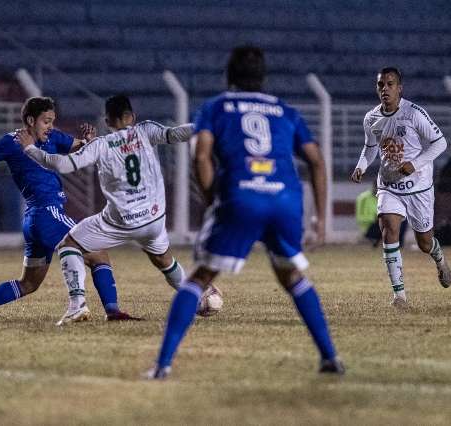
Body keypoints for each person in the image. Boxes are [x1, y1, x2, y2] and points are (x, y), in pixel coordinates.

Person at [144, 46, 343, 380]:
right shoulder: (285, 110)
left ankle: (162, 365)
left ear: (229, 77)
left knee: (200, 278)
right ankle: (329, 358)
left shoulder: (216, 107)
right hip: (284, 198)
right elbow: (317, 160)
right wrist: (320, 220)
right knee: (292, 277)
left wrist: (212, 201)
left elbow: (202, 156)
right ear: (263, 77)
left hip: (241, 193)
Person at [0, 96, 136, 324]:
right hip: (47, 213)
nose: (51, 126)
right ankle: (106, 309)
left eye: (53, 121)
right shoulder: (12, 142)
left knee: (29, 284)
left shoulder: (53, 137)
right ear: (29, 120)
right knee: (99, 254)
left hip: (34, 221)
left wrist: (88, 141)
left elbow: (80, 147)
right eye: (46, 121)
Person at [18, 94, 222, 317]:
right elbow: (175, 134)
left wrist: (30, 149)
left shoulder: (102, 145)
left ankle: (77, 305)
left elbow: (63, 164)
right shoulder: (145, 130)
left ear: (107, 122)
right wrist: (208, 126)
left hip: (120, 222)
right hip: (154, 220)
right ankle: (197, 297)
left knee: (69, 245)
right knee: (163, 259)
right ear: (132, 117)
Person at [351, 67, 450, 308]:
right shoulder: (371, 118)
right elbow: (371, 147)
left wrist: (415, 164)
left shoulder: (414, 113)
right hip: (389, 186)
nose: (385, 89)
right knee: (389, 230)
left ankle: (439, 259)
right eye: (381, 85)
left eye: (390, 84)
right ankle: (399, 296)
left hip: (419, 189)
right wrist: (361, 165)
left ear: (400, 88)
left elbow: (440, 144)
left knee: (425, 242)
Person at [355, 180, 407, 247]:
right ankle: (374, 240)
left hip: (383, 223)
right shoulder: (363, 198)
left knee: (402, 219)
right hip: (369, 226)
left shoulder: (387, 197)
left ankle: (398, 243)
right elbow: (359, 218)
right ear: (374, 187)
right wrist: (373, 218)